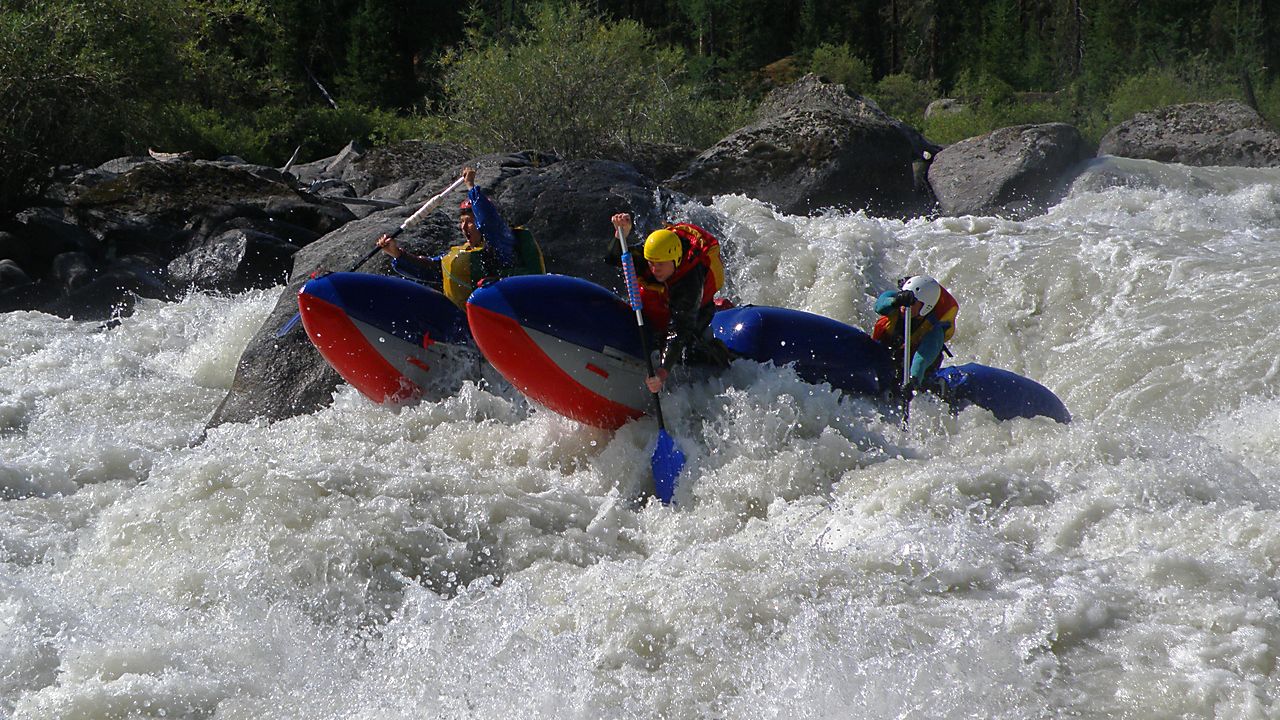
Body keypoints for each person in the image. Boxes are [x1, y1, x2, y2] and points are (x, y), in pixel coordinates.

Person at [376, 166, 544, 308]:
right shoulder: (464, 254)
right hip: (469, 322)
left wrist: (471, 187)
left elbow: (489, 222)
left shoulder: (504, 241)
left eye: (469, 222)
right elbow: (430, 270)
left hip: (509, 310)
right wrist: (397, 254)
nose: (463, 227)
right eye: (461, 222)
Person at [608, 212, 731, 394]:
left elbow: (679, 331)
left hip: (697, 307)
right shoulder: (653, 257)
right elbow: (614, 258)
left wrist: (661, 373)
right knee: (647, 301)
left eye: (660, 265)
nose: (654, 269)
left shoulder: (690, 282)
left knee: (688, 343)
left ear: (675, 260)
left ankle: (719, 356)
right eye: (651, 264)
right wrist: (621, 235)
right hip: (663, 294)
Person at [870, 274, 958, 394]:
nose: (904, 306)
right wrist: (896, 301)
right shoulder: (896, 303)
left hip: (916, 368)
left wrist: (913, 381)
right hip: (888, 352)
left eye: (913, 303)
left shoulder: (934, 331)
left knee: (923, 382)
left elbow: (921, 360)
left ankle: (938, 385)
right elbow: (879, 305)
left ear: (925, 307)